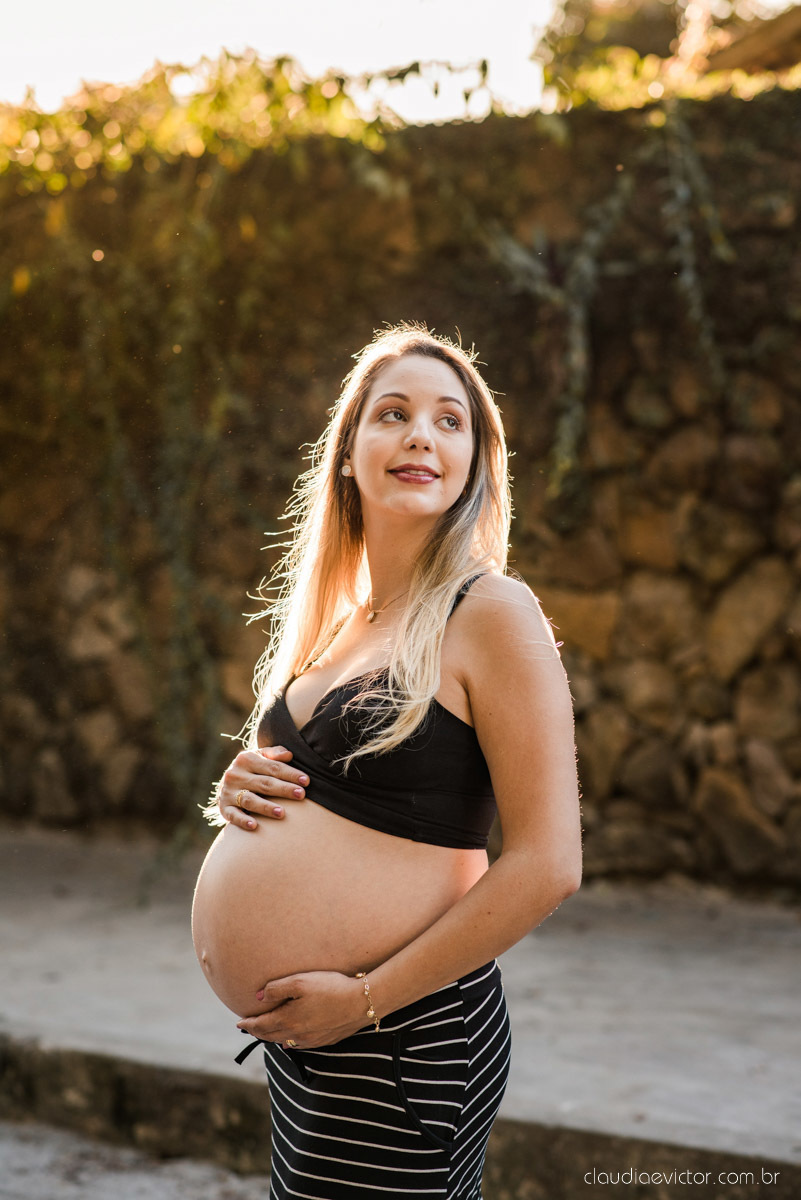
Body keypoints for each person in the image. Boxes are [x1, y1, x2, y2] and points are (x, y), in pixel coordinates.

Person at [202, 320, 582, 1198]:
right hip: (314, 1040)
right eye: (395, 413)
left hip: (407, 1034)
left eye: (451, 421)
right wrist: (238, 785)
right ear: (347, 453)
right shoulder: (341, 624)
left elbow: (547, 865)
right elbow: (334, 798)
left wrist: (364, 1000)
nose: (421, 434)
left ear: (474, 464)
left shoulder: (492, 611)